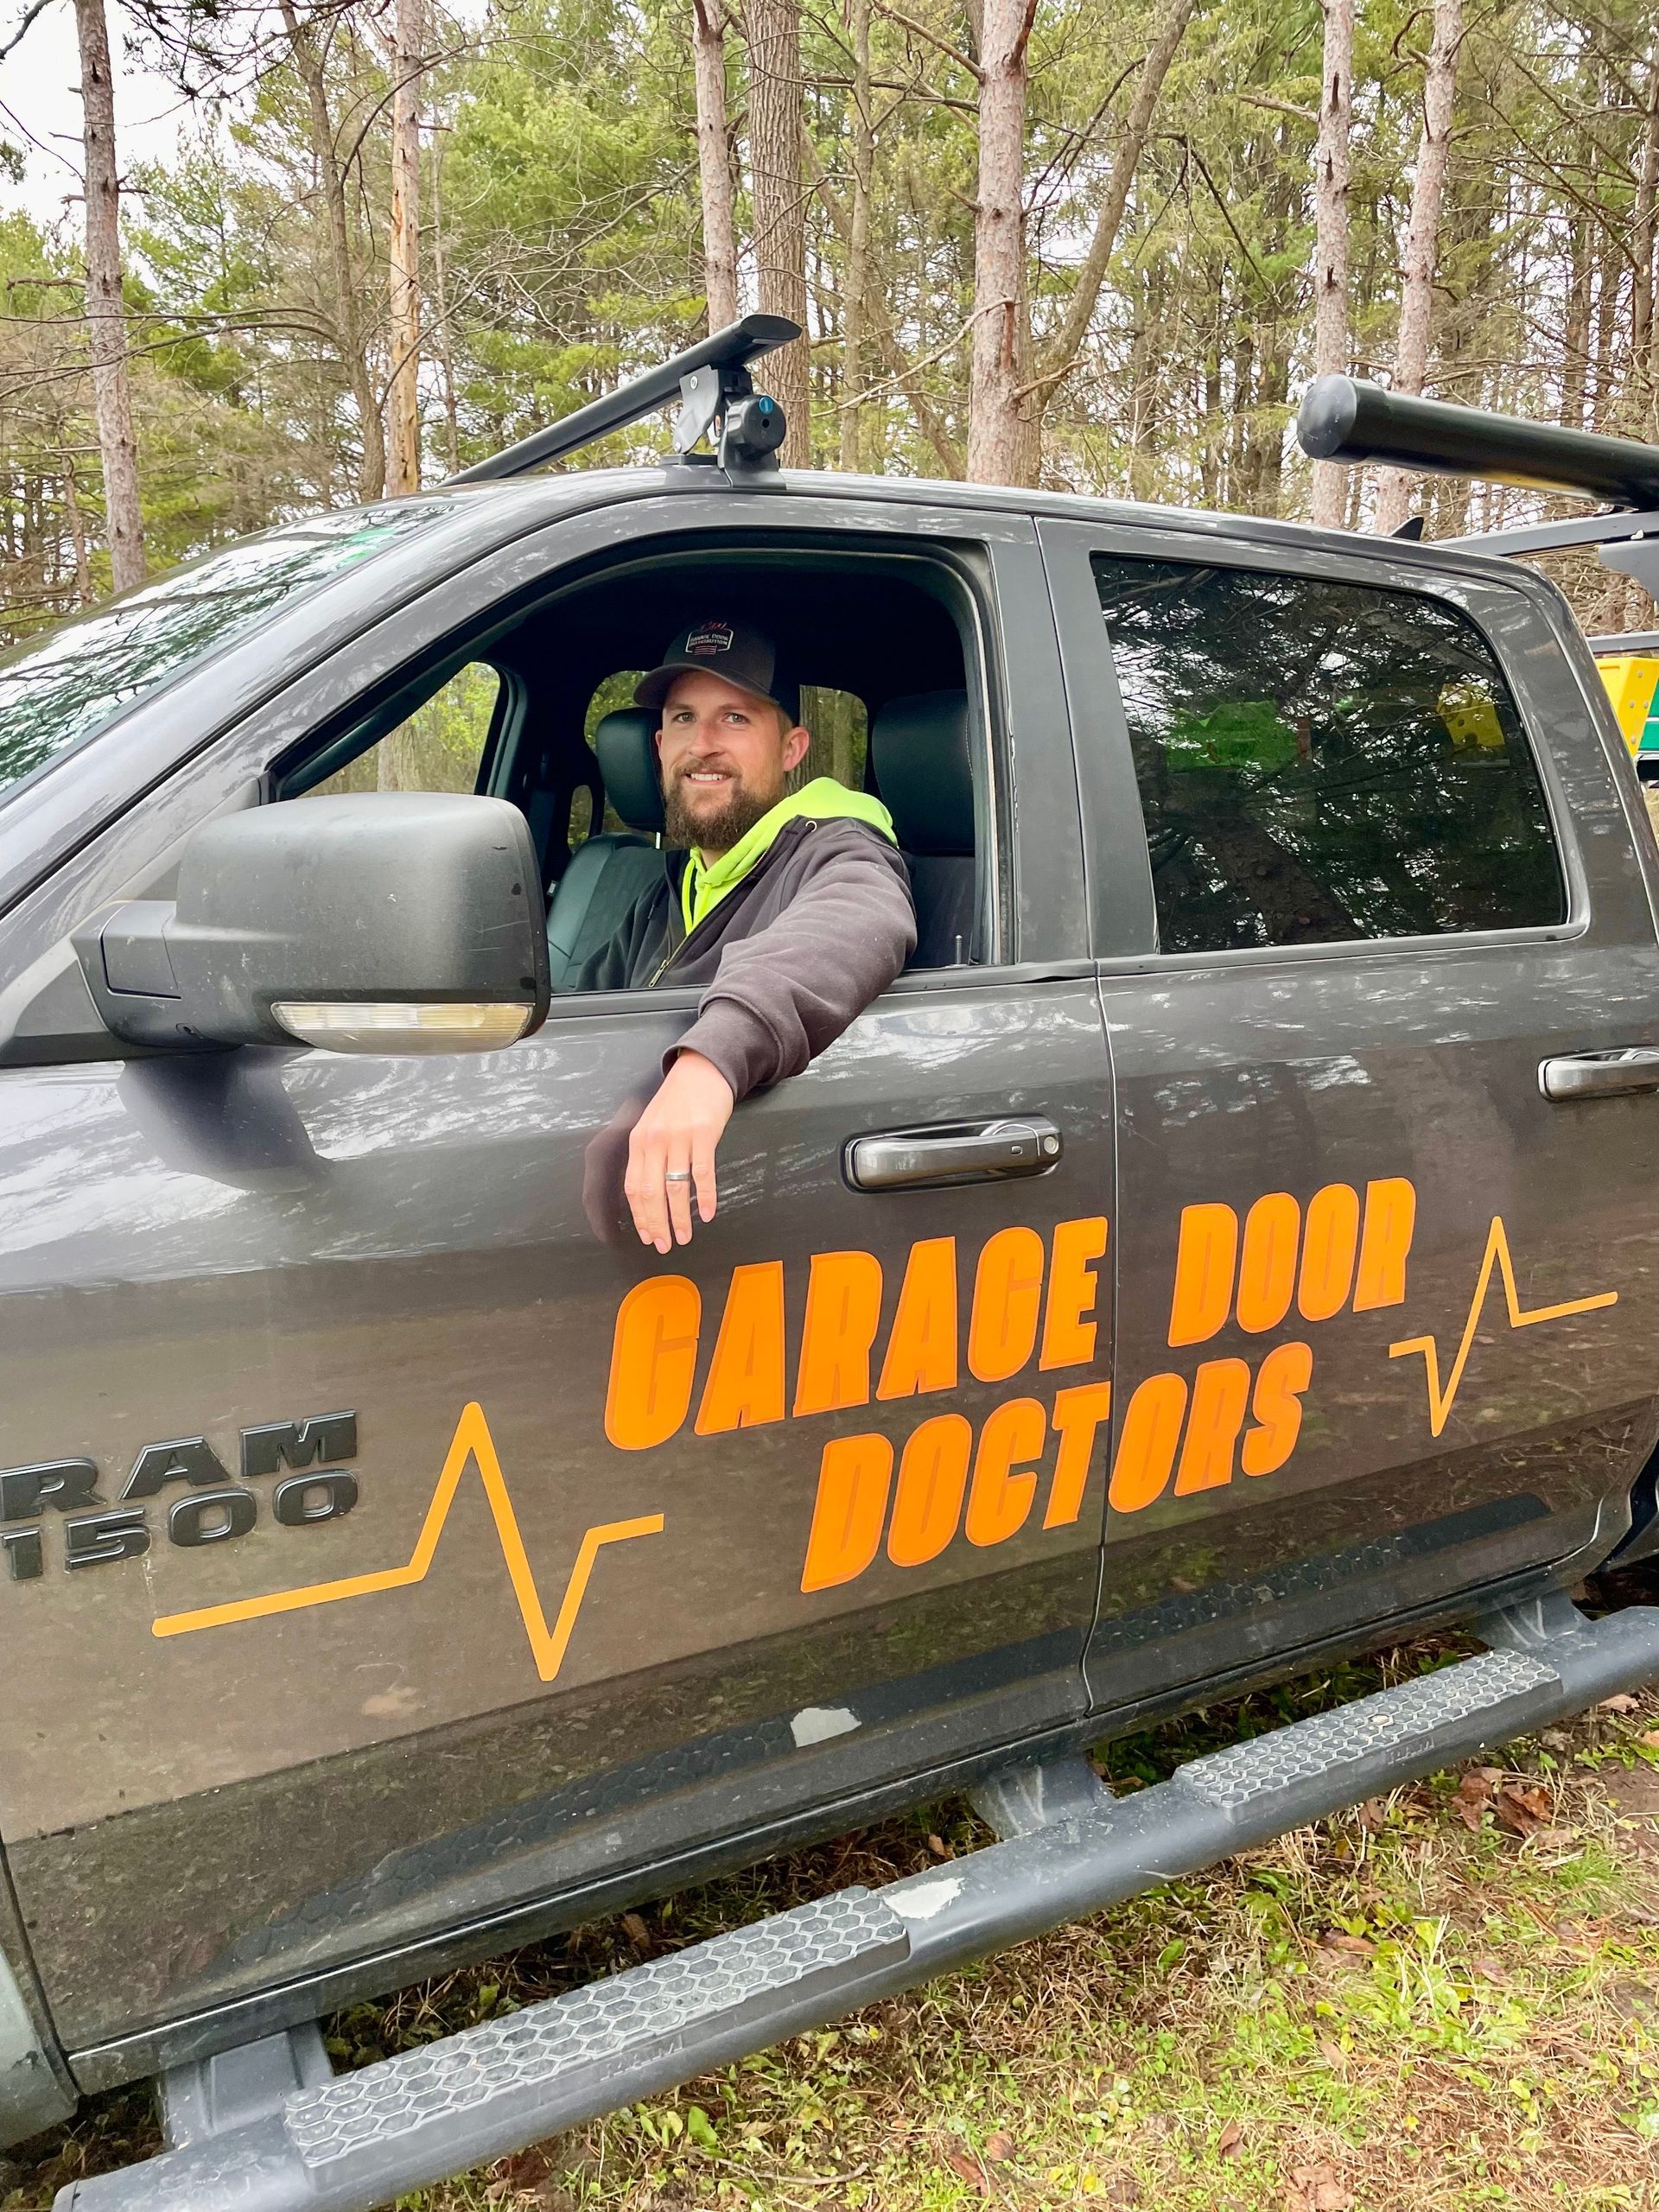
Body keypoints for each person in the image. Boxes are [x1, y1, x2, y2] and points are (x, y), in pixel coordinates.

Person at [578, 619, 916, 1255]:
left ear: (791, 749)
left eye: (735, 719)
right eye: (683, 719)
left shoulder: (840, 849)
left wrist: (709, 1062)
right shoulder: (674, 884)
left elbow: (858, 920)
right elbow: (584, 1002)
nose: (702, 744)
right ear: (658, 745)